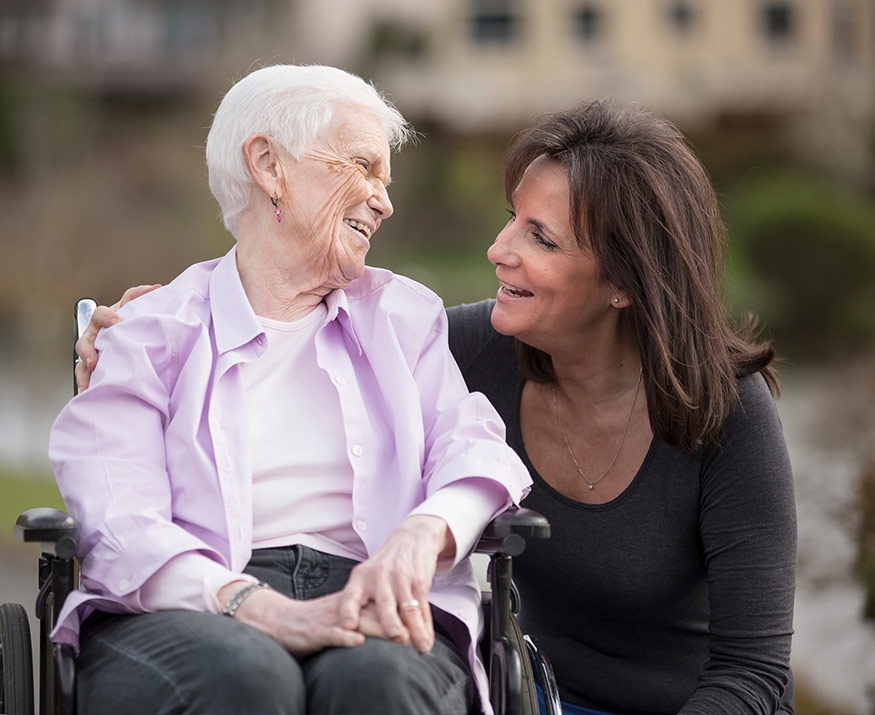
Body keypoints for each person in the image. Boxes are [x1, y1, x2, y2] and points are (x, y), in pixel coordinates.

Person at [76, 99, 797, 713]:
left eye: (538, 238)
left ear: (624, 283)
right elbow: (297, 318)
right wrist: (140, 327)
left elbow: (754, 672)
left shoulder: (726, 413)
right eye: (511, 219)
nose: (497, 249)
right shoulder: (467, 345)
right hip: (522, 693)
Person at [49, 64, 532, 715]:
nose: (383, 199)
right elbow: (117, 516)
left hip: (375, 593)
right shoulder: (148, 330)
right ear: (268, 165)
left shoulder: (405, 318)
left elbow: (473, 447)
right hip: (188, 604)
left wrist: (425, 530)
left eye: (385, 180)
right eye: (362, 166)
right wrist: (252, 603)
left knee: (376, 684)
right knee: (247, 674)